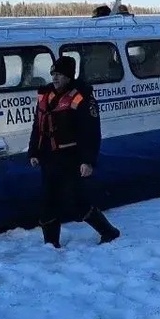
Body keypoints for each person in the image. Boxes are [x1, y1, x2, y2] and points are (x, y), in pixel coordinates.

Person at [27, 55, 120, 248]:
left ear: (69, 77)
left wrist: (88, 161)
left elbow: (91, 133)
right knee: (47, 202)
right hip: (48, 157)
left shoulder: (82, 98)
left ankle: (108, 232)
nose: (55, 78)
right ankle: (51, 244)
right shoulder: (45, 96)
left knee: (77, 201)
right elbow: (38, 126)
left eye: (59, 74)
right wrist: (33, 152)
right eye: (53, 74)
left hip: (71, 158)